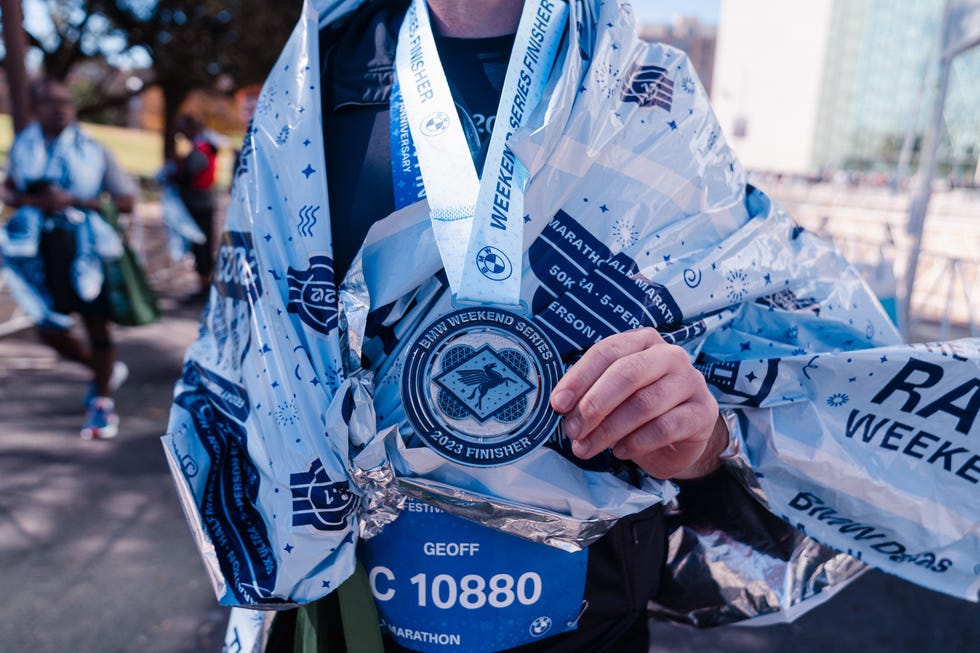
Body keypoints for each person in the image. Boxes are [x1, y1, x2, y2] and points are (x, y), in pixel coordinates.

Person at [167, 2, 974, 653]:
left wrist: (700, 438)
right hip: (353, 616)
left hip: (587, 619)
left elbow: (764, 374)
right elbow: (249, 360)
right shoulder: (312, 82)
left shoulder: (652, 96)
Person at [2, 78, 136, 439]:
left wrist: (75, 201)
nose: (61, 108)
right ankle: (102, 369)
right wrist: (32, 201)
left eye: (66, 102)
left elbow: (125, 201)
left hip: (86, 247)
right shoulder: (24, 148)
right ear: (35, 109)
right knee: (49, 329)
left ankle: (103, 404)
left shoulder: (94, 150)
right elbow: (11, 189)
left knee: (96, 324)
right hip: (39, 249)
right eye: (51, 102)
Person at [167, 114, 218, 301]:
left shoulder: (201, 148)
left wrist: (175, 175)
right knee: (200, 245)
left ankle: (206, 287)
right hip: (199, 200)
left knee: (201, 244)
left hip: (199, 202)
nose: (180, 133)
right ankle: (205, 285)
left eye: (182, 128)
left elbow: (192, 171)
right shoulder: (202, 146)